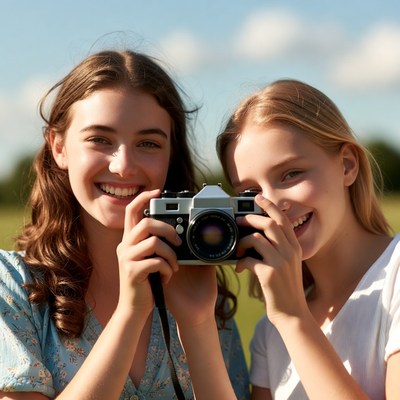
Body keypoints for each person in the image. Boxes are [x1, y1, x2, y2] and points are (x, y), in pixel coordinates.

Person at [0, 49, 249, 400]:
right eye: (100, 139)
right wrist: (131, 313)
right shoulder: (13, 286)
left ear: (170, 156)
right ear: (58, 146)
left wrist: (198, 326)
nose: (123, 166)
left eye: (148, 143)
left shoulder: (202, 291)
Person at [215, 79, 400, 399]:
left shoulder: (394, 279)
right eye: (250, 192)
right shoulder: (269, 333)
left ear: (347, 165)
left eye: (291, 174)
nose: (272, 205)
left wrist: (294, 319)